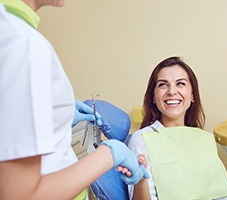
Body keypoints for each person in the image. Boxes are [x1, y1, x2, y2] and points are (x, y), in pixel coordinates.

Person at [0, 0, 147, 199]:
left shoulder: (10, 31)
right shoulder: (23, 43)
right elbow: (20, 195)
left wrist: (57, 120)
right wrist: (109, 155)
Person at [127, 56, 227, 200]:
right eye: (163, 85)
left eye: (180, 84)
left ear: (192, 95)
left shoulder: (204, 139)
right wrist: (141, 180)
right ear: (153, 96)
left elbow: (222, 194)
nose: (171, 91)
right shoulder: (142, 139)